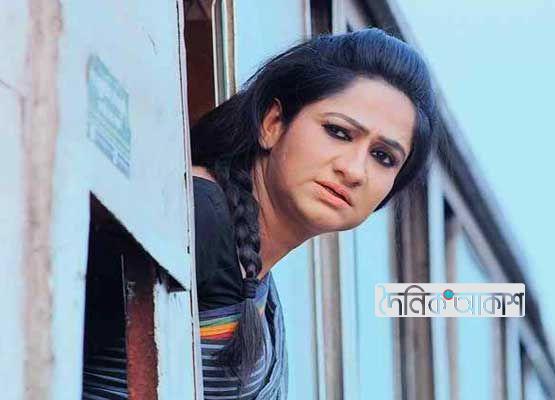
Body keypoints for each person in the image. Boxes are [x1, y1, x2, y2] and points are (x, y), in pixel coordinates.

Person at [83, 27, 438, 400]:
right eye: (338, 132)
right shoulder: (196, 220)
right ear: (272, 124)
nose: (354, 170)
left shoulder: (257, 278)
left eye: (383, 157)